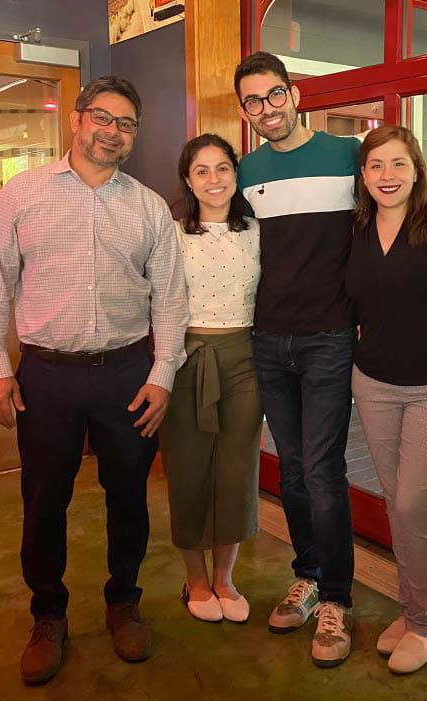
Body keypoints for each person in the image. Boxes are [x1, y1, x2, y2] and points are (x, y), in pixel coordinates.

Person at [0, 76, 188, 685]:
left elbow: (171, 299)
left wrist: (163, 374)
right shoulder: (23, 195)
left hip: (126, 373)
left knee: (128, 495)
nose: (112, 131)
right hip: (47, 375)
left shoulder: (147, 207)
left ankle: (124, 601)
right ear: (77, 119)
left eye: (125, 124)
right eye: (102, 118)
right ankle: (48, 615)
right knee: (44, 500)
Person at [234, 52, 359, 667]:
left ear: (295, 93)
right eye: (252, 102)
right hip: (267, 339)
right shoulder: (246, 171)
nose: (265, 110)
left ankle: (337, 598)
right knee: (288, 472)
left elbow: (396, 214)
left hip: (329, 337)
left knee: (322, 471)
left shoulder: (346, 157)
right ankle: (307, 575)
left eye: (273, 95)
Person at [347, 124, 427, 674]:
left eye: (397, 164)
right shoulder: (357, 228)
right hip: (374, 384)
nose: (386, 176)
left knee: (417, 505)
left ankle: (426, 622)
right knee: (397, 504)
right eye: (375, 166)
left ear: (416, 168)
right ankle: (412, 609)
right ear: (363, 176)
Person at [160, 134, 262, 624]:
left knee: (237, 470)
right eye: (202, 170)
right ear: (187, 179)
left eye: (223, 168)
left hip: (245, 358)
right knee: (189, 469)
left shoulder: (257, 232)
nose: (214, 179)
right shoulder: (171, 233)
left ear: (235, 174)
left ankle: (224, 578)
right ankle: (195, 579)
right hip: (185, 359)